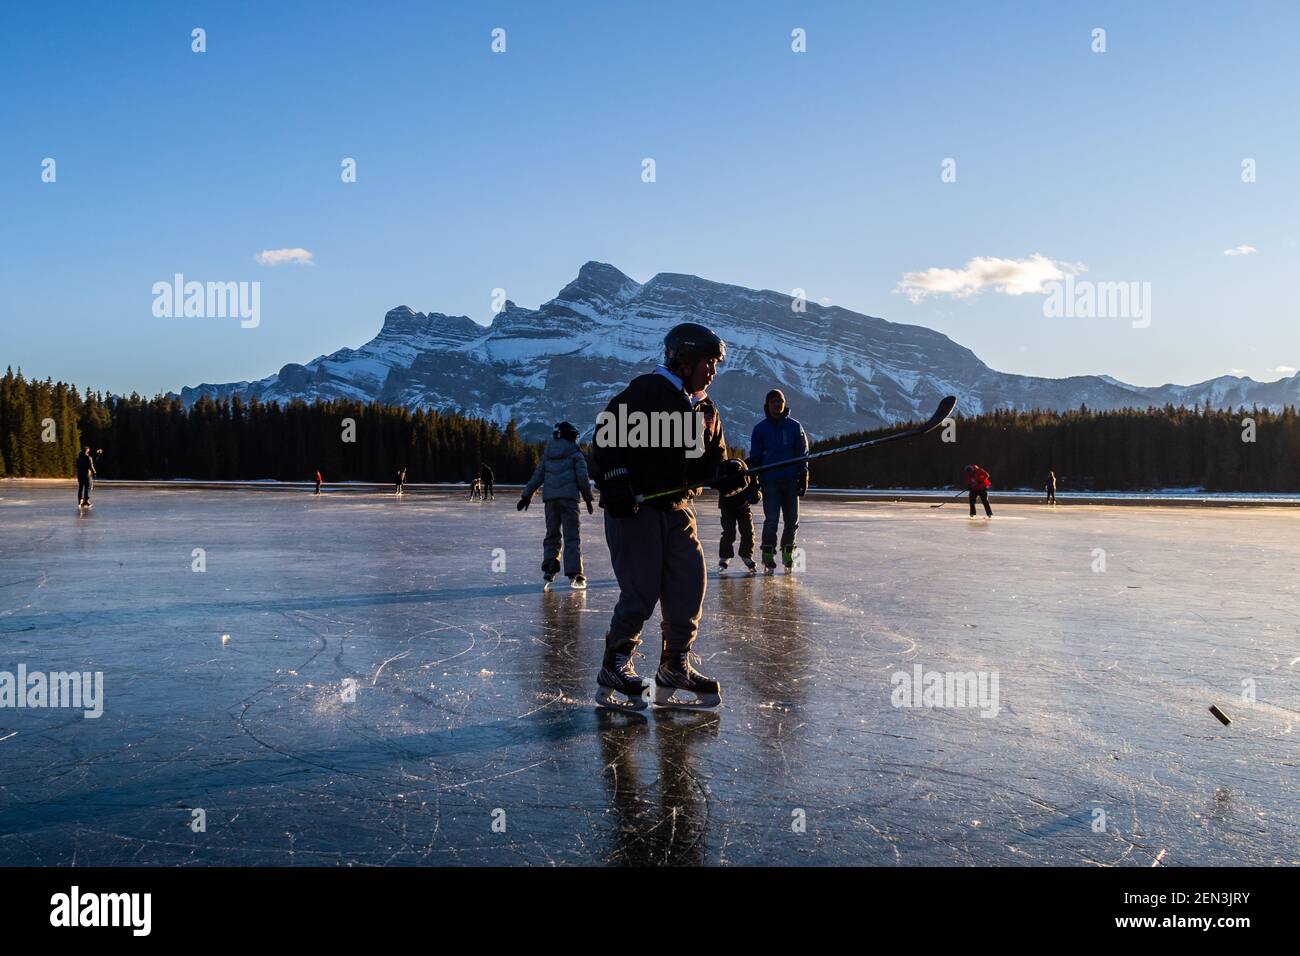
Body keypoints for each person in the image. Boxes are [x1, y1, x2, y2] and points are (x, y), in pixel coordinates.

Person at [590, 322, 739, 710]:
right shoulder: (646, 392)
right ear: (684, 359)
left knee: (689, 585)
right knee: (641, 590)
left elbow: (710, 464)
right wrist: (615, 479)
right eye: (709, 362)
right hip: (637, 510)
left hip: (678, 509)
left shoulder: (704, 408)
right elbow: (604, 443)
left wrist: (731, 476)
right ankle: (615, 665)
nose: (713, 371)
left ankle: (674, 666)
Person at [518, 421, 595, 589]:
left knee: (552, 534)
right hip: (569, 501)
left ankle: (550, 567)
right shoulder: (576, 453)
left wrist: (526, 495)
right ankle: (575, 573)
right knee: (572, 536)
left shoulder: (548, 454)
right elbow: (582, 478)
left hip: (551, 501)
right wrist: (588, 498)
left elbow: (537, 476)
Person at [749, 389, 809, 574]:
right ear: (767, 405)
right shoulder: (760, 429)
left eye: (780, 401)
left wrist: (804, 475)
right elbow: (756, 457)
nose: (777, 404)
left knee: (792, 521)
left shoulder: (794, 427)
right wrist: (753, 481)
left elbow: (802, 453)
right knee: (772, 521)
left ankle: (788, 553)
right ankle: (768, 554)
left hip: (791, 480)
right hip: (770, 481)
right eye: (774, 401)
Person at [718, 455, 760, 574]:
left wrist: (756, 496)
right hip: (727, 507)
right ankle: (725, 556)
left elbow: (756, 495)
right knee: (728, 532)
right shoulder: (726, 473)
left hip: (744, 507)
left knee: (748, 532)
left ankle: (746, 555)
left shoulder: (751, 474)